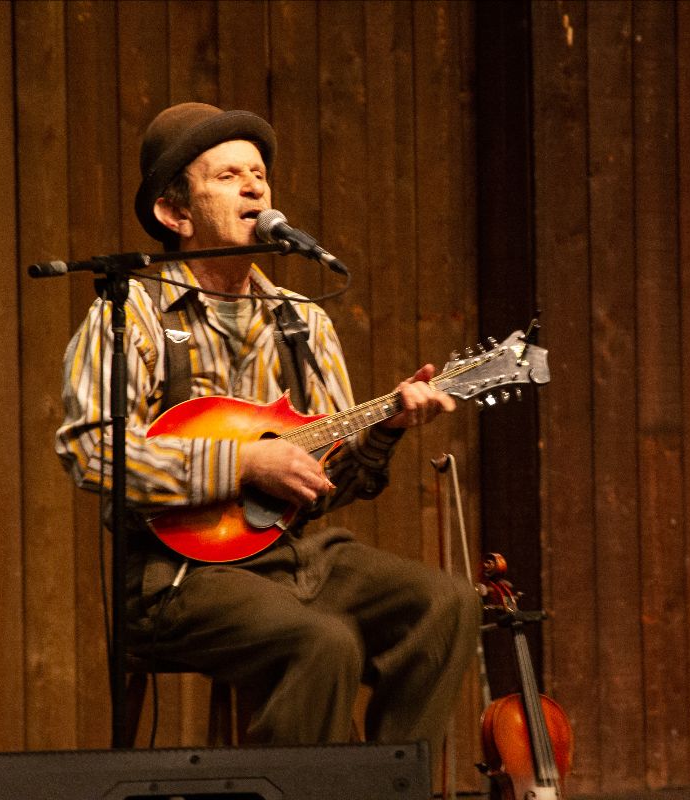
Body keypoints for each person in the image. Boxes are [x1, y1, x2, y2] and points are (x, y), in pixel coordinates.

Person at [55, 102, 480, 750]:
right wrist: (242, 465)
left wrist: (386, 430)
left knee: (448, 606)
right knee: (323, 643)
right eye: (227, 176)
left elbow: (333, 484)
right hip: (174, 577)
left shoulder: (302, 321)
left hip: (292, 554)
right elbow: (90, 450)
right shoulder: (133, 312)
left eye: (259, 174)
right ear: (176, 213)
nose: (254, 186)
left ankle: (386, 792)